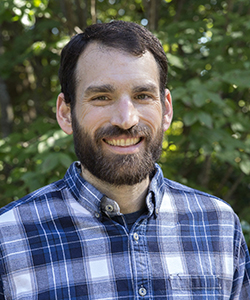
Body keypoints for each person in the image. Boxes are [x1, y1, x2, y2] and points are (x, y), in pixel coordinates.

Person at [0, 21, 249, 300]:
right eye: (102, 97)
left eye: (142, 96)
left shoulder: (219, 225)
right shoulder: (8, 238)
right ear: (65, 113)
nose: (126, 119)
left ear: (166, 109)